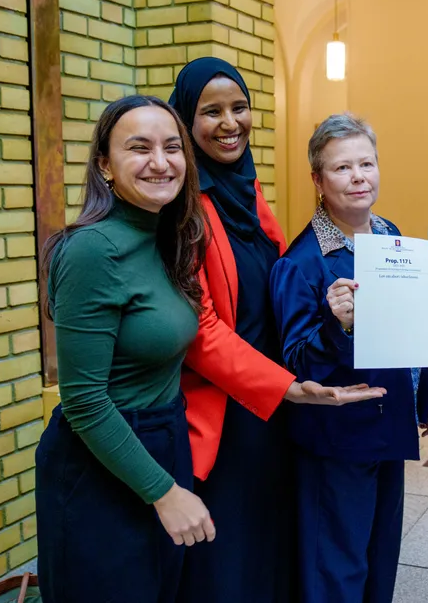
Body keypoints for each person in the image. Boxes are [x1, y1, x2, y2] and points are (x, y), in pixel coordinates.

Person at [168, 58, 385, 602]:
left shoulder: (249, 193)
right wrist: (283, 386)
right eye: (210, 111)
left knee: (278, 551)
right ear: (184, 122)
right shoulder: (183, 212)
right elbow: (202, 332)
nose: (229, 122)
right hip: (231, 408)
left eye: (238, 108)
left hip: (275, 403)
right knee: (232, 558)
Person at [35, 95, 214, 603]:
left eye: (172, 147)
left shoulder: (166, 237)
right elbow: (85, 402)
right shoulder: (91, 249)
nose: (160, 162)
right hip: (102, 464)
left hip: (163, 440)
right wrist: (163, 491)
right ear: (104, 166)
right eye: (139, 148)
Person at [270, 113, 428, 603]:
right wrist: (338, 325)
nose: (359, 176)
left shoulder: (392, 237)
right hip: (337, 439)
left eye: (367, 163)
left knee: (379, 560)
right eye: (342, 168)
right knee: (336, 570)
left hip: (386, 427)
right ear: (317, 180)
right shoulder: (300, 264)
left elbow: (407, 333)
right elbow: (296, 365)